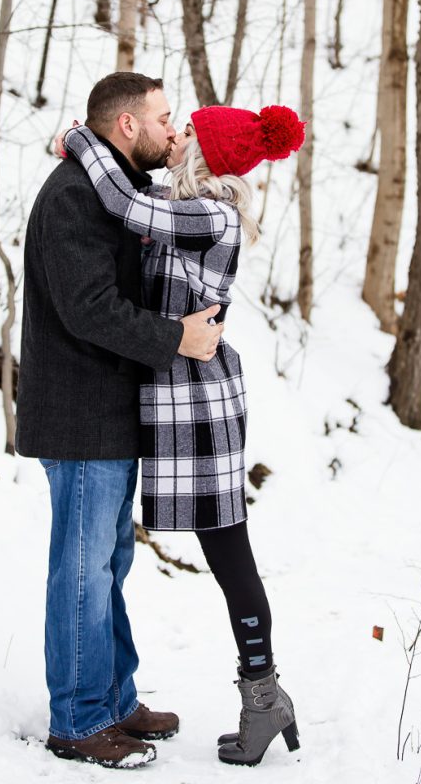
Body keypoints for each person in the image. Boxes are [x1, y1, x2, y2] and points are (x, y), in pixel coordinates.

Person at [60, 101, 305, 767]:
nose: (176, 135)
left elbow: (125, 202)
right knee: (224, 550)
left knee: (228, 553)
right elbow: (134, 200)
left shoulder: (211, 212)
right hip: (182, 393)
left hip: (199, 403)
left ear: (206, 154)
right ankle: (264, 697)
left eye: (187, 132)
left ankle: (263, 697)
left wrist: (83, 139)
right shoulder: (183, 200)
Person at [15, 72, 225, 770]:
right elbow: (89, 310)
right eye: (164, 118)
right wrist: (177, 339)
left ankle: (113, 697)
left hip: (109, 410)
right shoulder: (75, 197)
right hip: (78, 414)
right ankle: (76, 720)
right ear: (126, 126)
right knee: (81, 570)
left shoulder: (118, 193)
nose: (175, 129)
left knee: (108, 565)